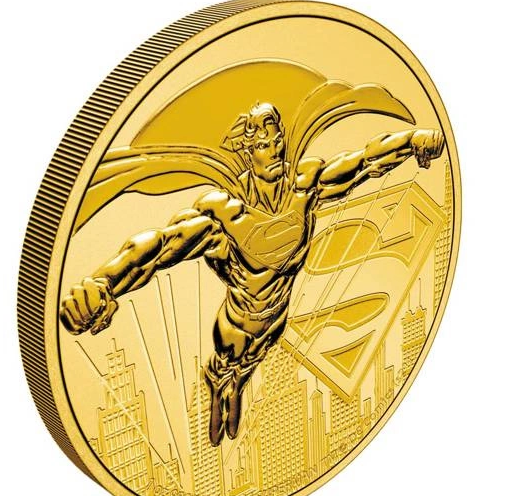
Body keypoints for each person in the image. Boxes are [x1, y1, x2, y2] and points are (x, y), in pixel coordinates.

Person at [60, 101, 444, 446]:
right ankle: (219, 379)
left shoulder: (304, 186)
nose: (273, 150)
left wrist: (412, 142)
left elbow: (364, 161)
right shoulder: (223, 214)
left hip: (273, 328)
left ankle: (233, 382)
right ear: (247, 150)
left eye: (277, 140)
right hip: (235, 331)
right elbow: (158, 247)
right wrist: (103, 283)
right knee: (227, 384)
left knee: (241, 381)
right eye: (262, 144)